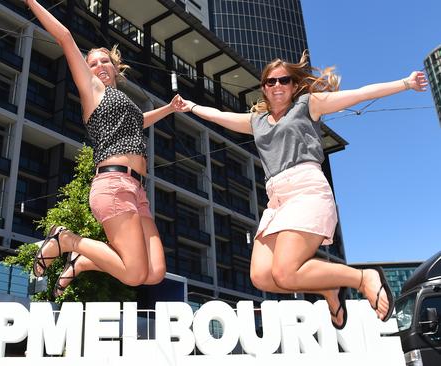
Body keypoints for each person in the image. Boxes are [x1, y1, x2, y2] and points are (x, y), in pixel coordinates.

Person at [175, 51, 428, 329]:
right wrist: (191, 106)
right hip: (276, 202)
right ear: (264, 88)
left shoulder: (308, 105)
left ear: (294, 85)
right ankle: (327, 287)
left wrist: (405, 83)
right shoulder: (256, 121)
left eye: (284, 80)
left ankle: (362, 277)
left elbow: (359, 94)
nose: (277, 86)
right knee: (262, 277)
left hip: (306, 188)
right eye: (271, 82)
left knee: (285, 272)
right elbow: (220, 116)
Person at [25, 0, 183, 297]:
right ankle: (66, 240)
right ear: (87, 71)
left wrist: (169, 109)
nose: (100, 66)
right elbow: (65, 37)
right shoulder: (92, 91)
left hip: (138, 192)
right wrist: (32, 2)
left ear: (115, 67)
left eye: (105, 61)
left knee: (154, 272)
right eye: (93, 63)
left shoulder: (122, 101)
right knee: (135, 274)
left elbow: (140, 121)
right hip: (113, 184)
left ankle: (83, 262)